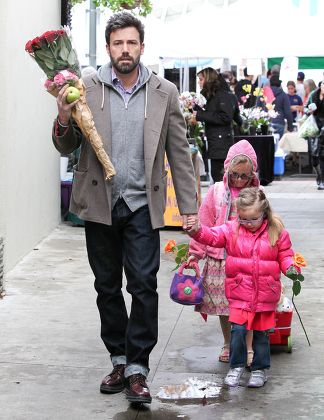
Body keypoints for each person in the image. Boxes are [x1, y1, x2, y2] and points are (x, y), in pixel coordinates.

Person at [52, 12, 198, 404]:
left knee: (144, 285)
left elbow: (179, 155)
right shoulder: (85, 87)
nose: (125, 50)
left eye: (131, 43)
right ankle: (118, 358)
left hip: (141, 204)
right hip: (99, 203)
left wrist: (189, 207)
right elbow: (66, 147)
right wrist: (64, 115)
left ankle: (137, 368)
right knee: (106, 287)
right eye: (118, 43)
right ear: (109, 48)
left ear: (142, 47)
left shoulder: (164, 92)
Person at [186, 187, 298, 388]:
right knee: (238, 331)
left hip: (265, 294)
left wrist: (291, 268)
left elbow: (286, 255)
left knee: (262, 334)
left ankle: (259, 369)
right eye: (244, 219)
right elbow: (212, 236)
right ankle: (236, 366)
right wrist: (197, 231)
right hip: (239, 292)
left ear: (264, 212)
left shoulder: (277, 231)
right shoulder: (232, 229)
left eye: (253, 219)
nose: (248, 224)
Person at [187, 140, 260, 364]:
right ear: (227, 169)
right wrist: (195, 253)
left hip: (248, 260)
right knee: (224, 307)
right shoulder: (217, 191)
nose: (239, 180)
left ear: (253, 174)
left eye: (244, 176)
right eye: (235, 174)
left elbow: (268, 226)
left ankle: (248, 347)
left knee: (247, 306)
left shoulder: (258, 194)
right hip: (219, 259)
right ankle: (228, 344)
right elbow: (205, 224)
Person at [190, 67, 242, 183]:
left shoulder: (222, 95)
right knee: (218, 177)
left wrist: (199, 115)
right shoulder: (213, 95)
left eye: (201, 79)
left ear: (208, 79)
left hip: (222, 144)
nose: (199, 82)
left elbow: (225, 117)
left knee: (220, 178)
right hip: (217, 143)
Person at [305, 82, 324, 190]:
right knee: (314, 156)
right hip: (314, 127)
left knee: (322, 155)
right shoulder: (313, 94)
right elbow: (305, 108)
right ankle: (319, 175)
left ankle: (322, 180)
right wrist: (309, 110)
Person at [269, 75, 294, 139]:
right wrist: (290, 127)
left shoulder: (264, 93)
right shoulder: (283, 95)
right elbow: (288, 112)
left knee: (268, 146)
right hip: (279, 123)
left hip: (266, 123)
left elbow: (258, 108)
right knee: (278, 146)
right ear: (280, 83)